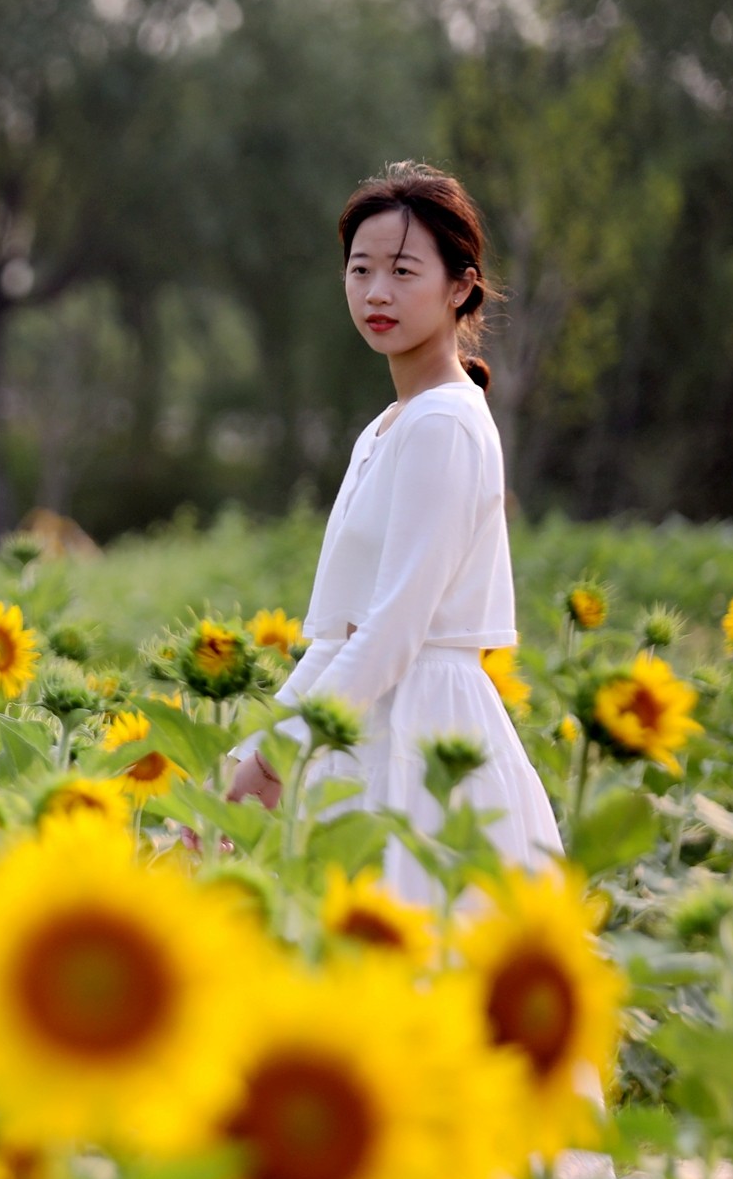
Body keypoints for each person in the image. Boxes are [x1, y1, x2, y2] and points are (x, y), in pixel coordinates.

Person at [217, 163, 565, 909]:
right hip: (362, 716)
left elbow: (396, 629)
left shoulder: (443, 422)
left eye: (404, 271)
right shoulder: (389, 426)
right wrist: (258, 749)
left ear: (461, 285)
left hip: (422, 732)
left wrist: (283, 753)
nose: (376, 292)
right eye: (361, 269)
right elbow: (339, 635)